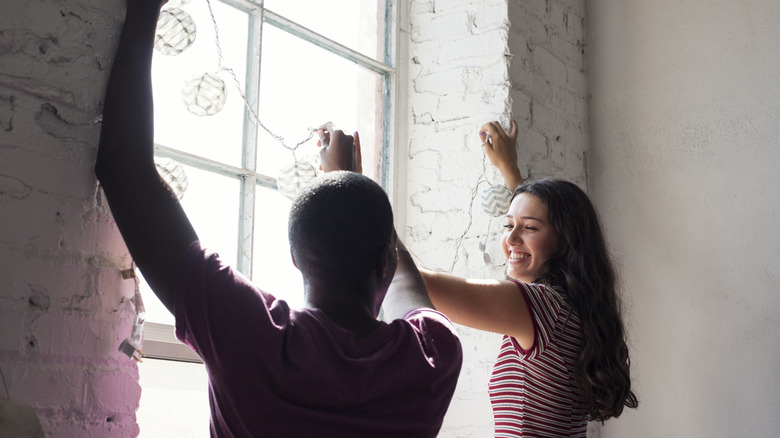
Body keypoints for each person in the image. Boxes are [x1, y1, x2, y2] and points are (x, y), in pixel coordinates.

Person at [94, 1, 462, 437]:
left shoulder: (251, 332)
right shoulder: (432, 356)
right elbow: (406, 288)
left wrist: (144, 10)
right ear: (383, 260)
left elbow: (123, 169)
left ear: (295, 256)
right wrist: (351, 185)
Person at [420, 120, 638, 437]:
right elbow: (540, 219)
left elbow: (423, 284)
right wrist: (511, 170)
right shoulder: (573, 307)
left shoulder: (543, 308)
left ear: (566, 240)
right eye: (508, 225)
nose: (510, 239)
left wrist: (351, 195)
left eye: (529, 228)